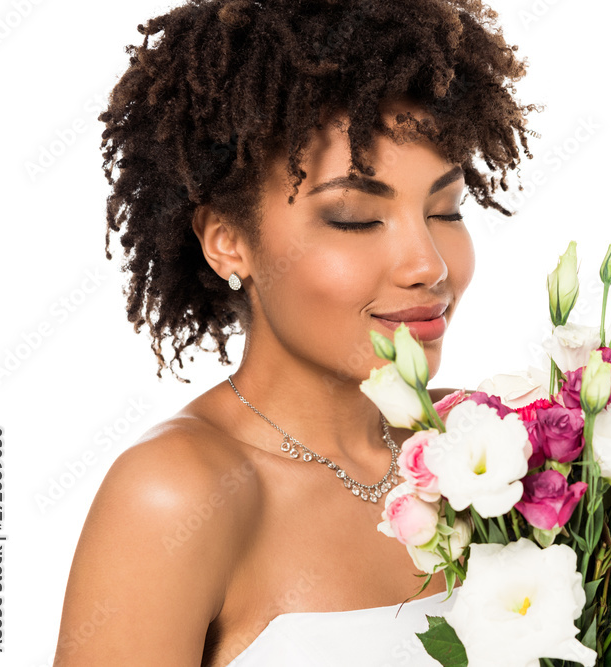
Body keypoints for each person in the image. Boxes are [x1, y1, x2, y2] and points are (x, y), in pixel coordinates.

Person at [53, 0, 540, 664]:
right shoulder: (177, 493)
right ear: (229, 242)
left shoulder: (486, 450)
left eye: (445, 209)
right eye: (355, 218)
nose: (427, 264)